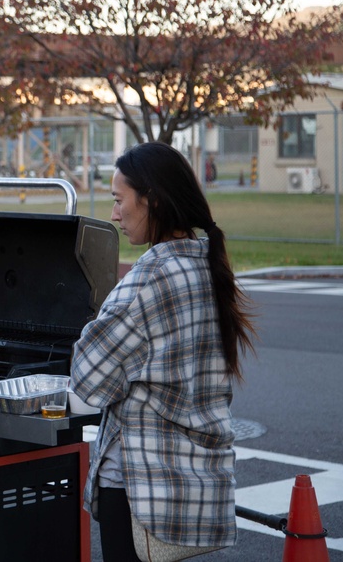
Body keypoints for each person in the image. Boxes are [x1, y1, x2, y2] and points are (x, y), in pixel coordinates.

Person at [70, 142, 256, 561]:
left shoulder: (150, 275)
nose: (114, 214)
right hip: (191, 482)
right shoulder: (206, 262)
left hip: (139, 488)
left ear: (151, 200)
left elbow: (88, 378)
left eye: (119, 201)